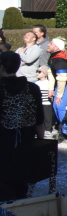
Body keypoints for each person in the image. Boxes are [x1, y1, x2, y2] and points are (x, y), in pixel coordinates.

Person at [0, 50, 45, 200]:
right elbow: (39, 120)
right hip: (25, 142)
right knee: (21, 187)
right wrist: (40, 140)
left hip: (3, 143)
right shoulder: (32, 88)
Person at [46, 38, 67, 135]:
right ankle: (63, 126)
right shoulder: (52, 58)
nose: (48, 45)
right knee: (55, 106)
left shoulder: (60, 60)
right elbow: (51, 75)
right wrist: (51, 89)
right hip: (61, 83)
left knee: (60, 105)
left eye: (51, 44)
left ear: (56, 47)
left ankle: (66, 129)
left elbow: (62, 80)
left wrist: (59, 96)